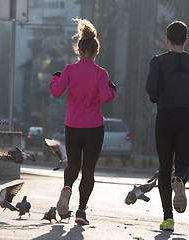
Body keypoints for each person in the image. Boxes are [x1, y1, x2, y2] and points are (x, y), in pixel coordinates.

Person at [145, 21, 189, 231]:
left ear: (166, 40)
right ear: (186, 40)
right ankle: (180, 179)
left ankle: (168, 219)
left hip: (166, 115)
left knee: (164, 167)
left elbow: (150, 86)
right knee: (183, 164)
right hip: (188, 116)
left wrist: (156, 97)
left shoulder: (157, 61)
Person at [49, 18, 116, 225]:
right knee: (88, 170)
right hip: (94, 127)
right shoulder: (101, 73)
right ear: (96, 52)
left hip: (73, 125)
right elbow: (106, 97)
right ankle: (81, 212)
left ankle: (67, 187)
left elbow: (57, 91)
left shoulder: (69, 70)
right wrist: (112, 89)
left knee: (73, 165)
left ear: (78, 50)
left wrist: (54, 78)